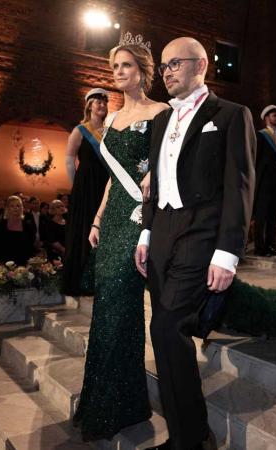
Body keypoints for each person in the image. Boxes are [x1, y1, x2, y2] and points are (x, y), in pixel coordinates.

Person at [135, 36, 256, 450]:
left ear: (200, 65)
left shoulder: (231, 115)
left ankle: (192, 439)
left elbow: (239, 187)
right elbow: (156, 184)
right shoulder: (161, 121)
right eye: (164, 66)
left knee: (170, 327)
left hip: (202, 233)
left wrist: (227, 254)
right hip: (163, 231)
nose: (166, 72)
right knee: (162, 330)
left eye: (175, 64)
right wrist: (147, 233)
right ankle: (185, 435)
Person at [72, 34, 169, 442]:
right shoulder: (109, 120)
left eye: (125, 65)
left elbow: (171, 161)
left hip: (138, 215)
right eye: (114, 67)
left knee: (120, 301)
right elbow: (113, 178)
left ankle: (117, 403)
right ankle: (114, 400)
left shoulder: (161, 111)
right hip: (111, 217)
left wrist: (156, 172)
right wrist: (95, 220)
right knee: (107, 307)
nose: (118, 73)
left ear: (143, 70)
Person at [62, 88, 112, 295]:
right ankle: (81, 280)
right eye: (97, 101)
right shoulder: (80, 130)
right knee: (84, 229)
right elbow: (69, 158)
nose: (101, 105)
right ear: (89, 105)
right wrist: (76, 186)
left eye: (104, 102)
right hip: (86, 184)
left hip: (105, 182)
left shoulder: (111, 130)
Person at [253, 105, 276, 256]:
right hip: (264, 181)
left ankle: (271, 245)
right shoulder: (261, 135)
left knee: (273, 214)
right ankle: (260, 248)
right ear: (267, 118)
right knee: (262, 215)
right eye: (274, 115)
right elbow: (256, 159)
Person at [0, 195, 35, 265]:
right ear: (8, 208)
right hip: (5, 262)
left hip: (23, 262)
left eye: (18, 206)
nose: (15, 208)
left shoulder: (27, 226)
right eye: (12, 206)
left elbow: (30, 246)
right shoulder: (1, 225)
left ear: (21, 208)